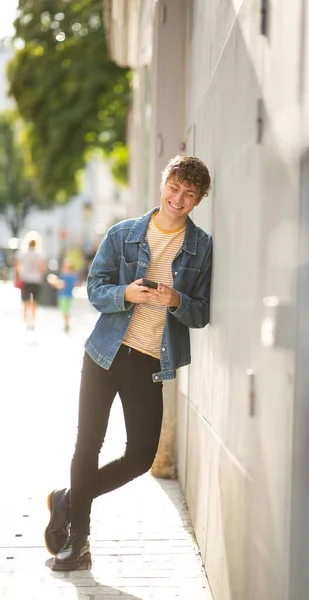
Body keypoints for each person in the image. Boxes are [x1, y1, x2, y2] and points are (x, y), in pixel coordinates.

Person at [45, 155, 213, 571]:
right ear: (164, 183)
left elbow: (201, 313)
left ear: (198, 199)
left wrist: (176, 300)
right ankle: (79, 541)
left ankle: (68, 498)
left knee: (140, 456)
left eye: (189, 194)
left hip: (150, 362)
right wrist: (126, 294)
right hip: (103, 354)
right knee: (88, 444)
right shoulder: (123, 234)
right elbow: (95, 289)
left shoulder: (202, 247)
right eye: (174, 188)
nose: (178, 198)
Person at [15, 238, 46, 330]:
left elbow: (17, 266)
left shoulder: (22, 254)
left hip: (25, 279)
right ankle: (32, 319)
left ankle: (25, 319)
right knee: (34, 301)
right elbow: (42, 268)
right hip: (36, 280)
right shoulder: (39, 255)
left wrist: (19, 275)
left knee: (25, 301)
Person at [47, 259, 78, 333]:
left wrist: (54, 283)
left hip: (64, 295)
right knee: (66, 310)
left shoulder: (65, 276)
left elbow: (62, 285)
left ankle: (66, 325)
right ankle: (66, 324)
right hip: (69, 295)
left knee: (64, 311)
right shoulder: (73, 276)